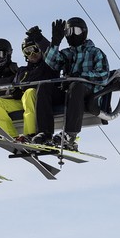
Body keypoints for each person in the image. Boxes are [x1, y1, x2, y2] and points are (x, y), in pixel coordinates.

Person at [42, 16, 111, 151]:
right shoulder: (67, 54)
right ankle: (45, 132)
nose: (72, 35)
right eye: (68, 32)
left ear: (84, 32)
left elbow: (103, 76)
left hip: (89, 93)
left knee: (77, 86)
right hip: (70, 92)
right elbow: (51, 63)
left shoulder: (95, 53)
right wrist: (55, 42)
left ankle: (70, 134)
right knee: (44, 88)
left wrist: (81, 76)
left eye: (76, 31)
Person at [0, 26, 57, 140]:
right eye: (27, 51)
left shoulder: (48, 66)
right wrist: (15, 91)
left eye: (35, 49)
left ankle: (30, 134)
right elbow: (16, 87)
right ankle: (10, 135)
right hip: (23, 100)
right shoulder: (22, 70)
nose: (32, 54)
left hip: (39, 100)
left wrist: (42, 41)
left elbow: (52, 53)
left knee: (29, 93)